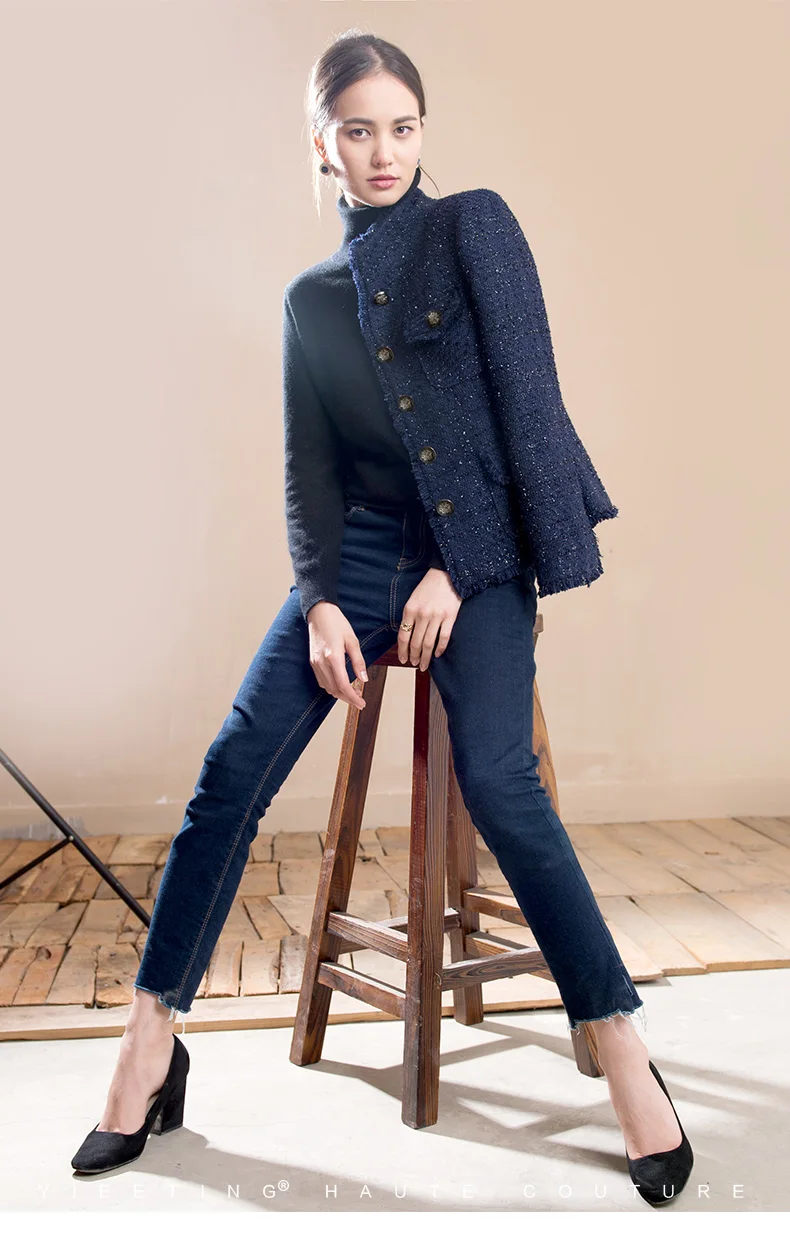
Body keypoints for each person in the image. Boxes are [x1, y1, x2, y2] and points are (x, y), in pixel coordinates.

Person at [71, 29, 693, 1206]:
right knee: (228, 774)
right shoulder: (308, 300)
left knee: (500, 781)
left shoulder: (473, 229)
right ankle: (148, 1047)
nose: (383, 151)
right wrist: (317, 600)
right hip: (358, 555)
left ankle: (620, 1045)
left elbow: (530, 411)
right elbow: (309, 471)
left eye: (401, 127)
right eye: (357, 131)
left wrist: (463, 567)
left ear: (421, 131)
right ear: (322, 145)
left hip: (479, 553)